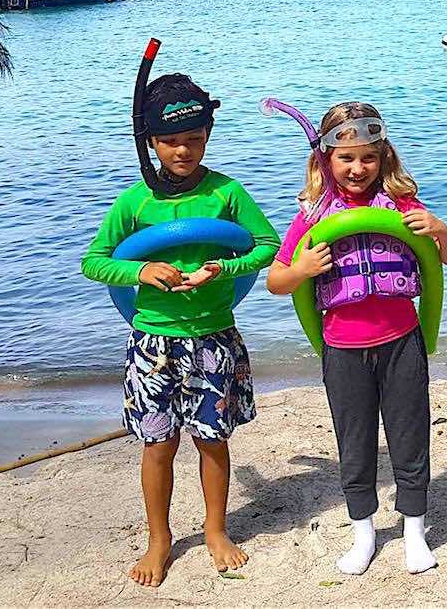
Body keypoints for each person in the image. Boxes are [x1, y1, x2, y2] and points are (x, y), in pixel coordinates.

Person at [80, 73, 281, 587]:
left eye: (194, 139)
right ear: (151, 142)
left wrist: (224, 268)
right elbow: (95, 262)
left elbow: (268, 246)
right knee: (157, 444)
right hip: (153, 340)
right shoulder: (136, 203)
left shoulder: (226, 193)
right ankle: (159, 538)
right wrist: (140, 271)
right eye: (171, 141)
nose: (183, 150)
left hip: (215, 336)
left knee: (212, 440)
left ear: (208, 137)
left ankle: (216, 530)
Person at [265, 101, 447, 576]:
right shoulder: (315, 216)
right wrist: (302, 269)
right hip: (343, 345)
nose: (358, 168)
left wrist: (438, 228)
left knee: (410, 434)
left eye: (368, 158)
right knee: (354, 441)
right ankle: (364, 533)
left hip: (401, 340)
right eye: (346, 158)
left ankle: (414, 530)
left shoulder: (403, 208)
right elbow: (275, 281)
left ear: (383, 158)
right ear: (326, 161)